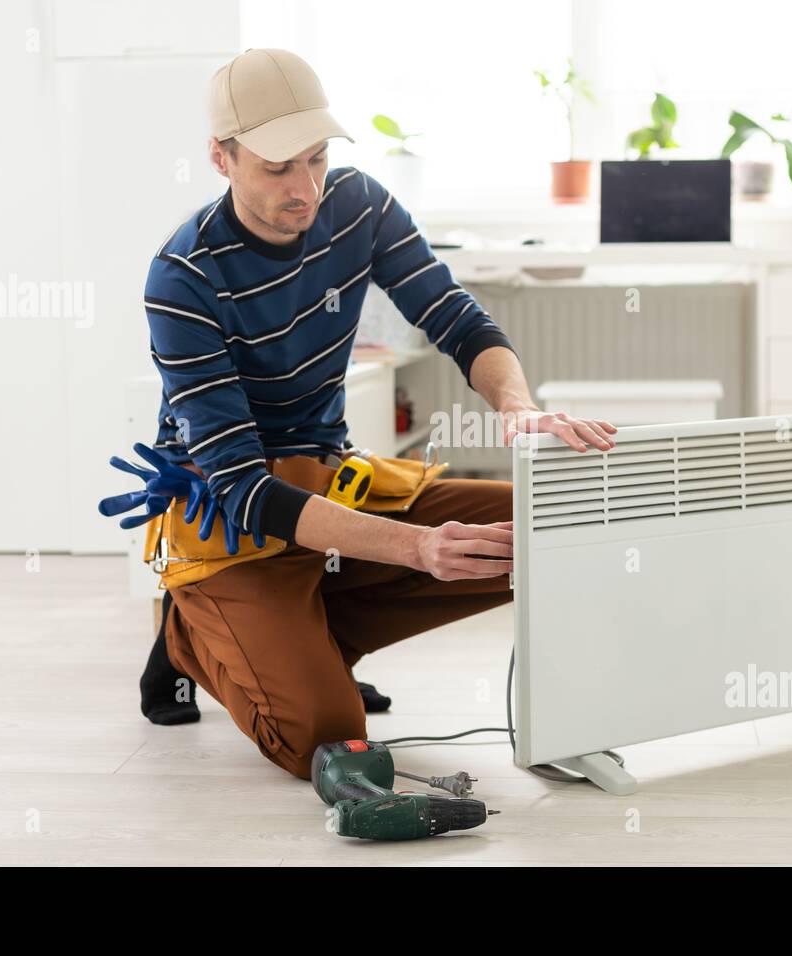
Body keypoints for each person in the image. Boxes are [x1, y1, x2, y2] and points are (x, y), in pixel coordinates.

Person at [133, 48, 616, 780]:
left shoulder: (359, 204)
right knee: (330, 732)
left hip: (327, 481)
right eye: (277, 168)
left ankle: (308, 635)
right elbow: (244, 489)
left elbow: (458, 319)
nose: (306, 189)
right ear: (221, 158)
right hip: (230, 511)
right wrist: (417, 548)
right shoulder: (183, 277)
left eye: (318, 158)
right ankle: (189, 631)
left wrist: (518, 410)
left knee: (557, 519)